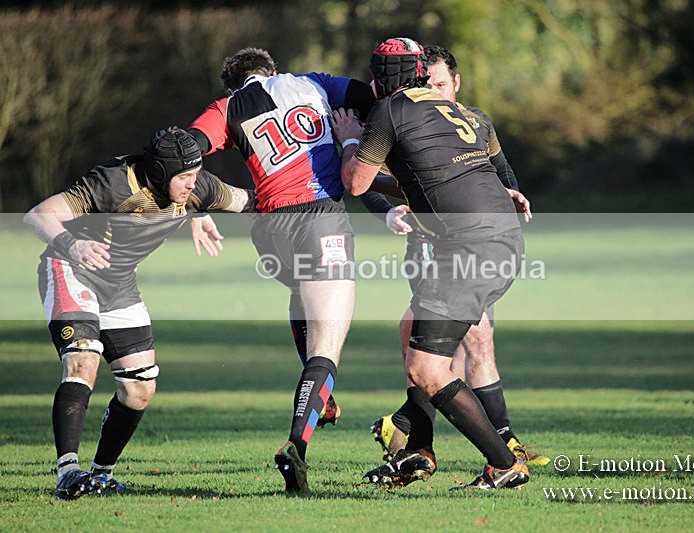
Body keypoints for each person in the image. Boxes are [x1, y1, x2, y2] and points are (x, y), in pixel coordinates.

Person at [332, 37, 532, 490]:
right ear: (423, 73)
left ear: (378, 79)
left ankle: (502, 461)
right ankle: (417, 445)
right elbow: (447, 177)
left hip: (466, 251)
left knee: (427, 368)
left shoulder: (390, 111)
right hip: (501, 244)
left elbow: (357, 183)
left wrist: (347, 141)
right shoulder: (463, 113)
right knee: (421, 347)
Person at [24, 127, 256, 500]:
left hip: (119, 284)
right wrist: (73, 242)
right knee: (83, 360)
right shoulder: (111, 183)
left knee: (140, 389)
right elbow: (38, 215)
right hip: (71, 268)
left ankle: (101, 474)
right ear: (160, 173)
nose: (193, 185)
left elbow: (251, 200)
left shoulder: (198, 186)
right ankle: (68, 473)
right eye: (184, 178)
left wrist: (313, 202)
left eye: (196, 176)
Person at [186, 47, 374, 492]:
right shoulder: (312, 83)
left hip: (270, 229)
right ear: (271, 71)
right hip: (321, 217)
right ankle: (296, 445)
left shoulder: (228, 107)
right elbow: (370, 97)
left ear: (233, 84)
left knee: (302, 295)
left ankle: (320, 398)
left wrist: (193, 206)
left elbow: (182, 149)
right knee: (327, 347)